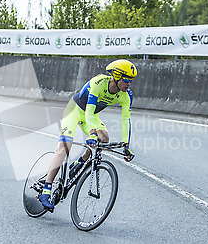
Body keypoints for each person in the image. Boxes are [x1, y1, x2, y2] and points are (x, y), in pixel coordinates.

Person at [39, 59, 137, 211]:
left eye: (131, 81)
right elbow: (90, 112)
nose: (129, 84)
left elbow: (125, 120)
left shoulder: (126, 95)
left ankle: (80, 162)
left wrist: (126, 145)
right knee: (64, 149)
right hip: (74, 111)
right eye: (126, 80)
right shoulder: (99, 83)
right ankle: (46, 189)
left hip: (89, 117)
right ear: (116, 77)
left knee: (104, 138)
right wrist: (91, 134)